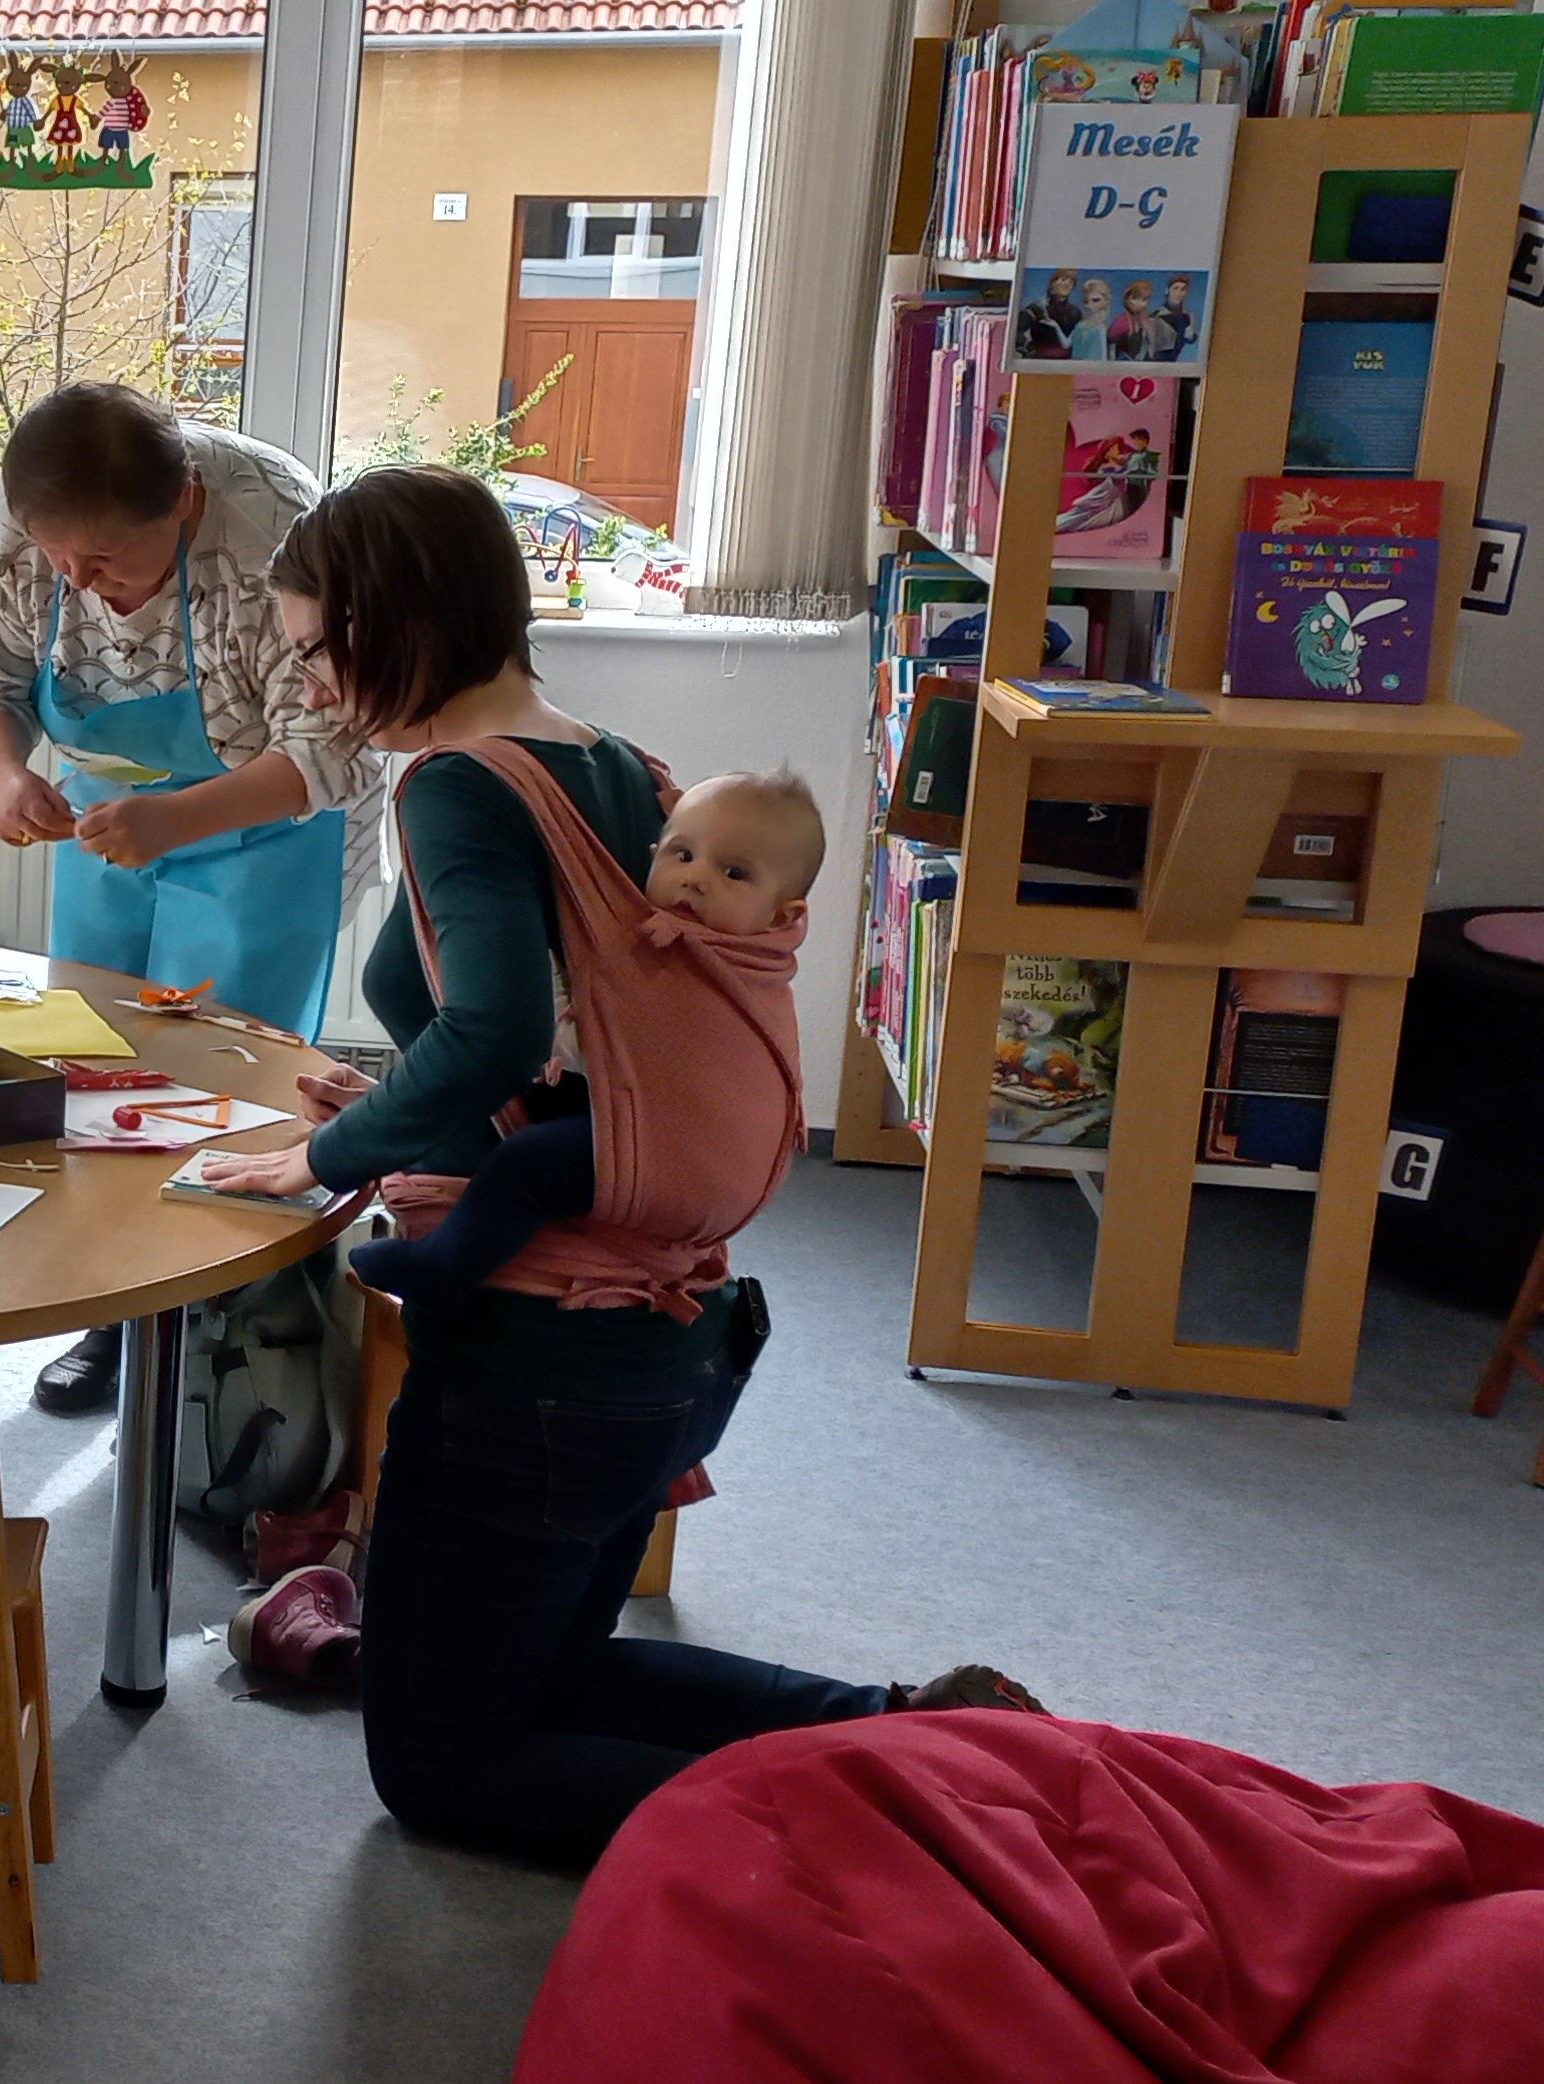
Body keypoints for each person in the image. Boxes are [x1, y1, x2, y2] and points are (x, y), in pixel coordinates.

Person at [187, 467, 1036, 1870]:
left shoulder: (459, 787)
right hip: (659, 1343)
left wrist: (323, 1156)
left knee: (443, 1771)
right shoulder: (619, 767)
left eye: (321, 650)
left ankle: (878, 1839)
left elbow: (495, 1029)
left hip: (542, 1358)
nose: (317, 688)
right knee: (551, 1681)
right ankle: (919, 1732)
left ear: (396, 619)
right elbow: (578, 1049)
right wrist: (395, 1100)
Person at [0, 380, 374, 1415]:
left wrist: (177, 821)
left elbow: (330, 742)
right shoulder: (27, 516)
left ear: (182, 502)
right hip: (109, 815)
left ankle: (222, 1344)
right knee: (93, 1063)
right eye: (56, 555)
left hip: (269, 827)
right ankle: (110, 1310)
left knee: (230, 1080)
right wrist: (5, 777)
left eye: (103, 560)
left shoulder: (277, 529)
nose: (75, 580)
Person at [346, 768, 826, 1306]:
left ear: (782, 915)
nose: (696, 878)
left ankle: (442, 1265)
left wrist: (528, 1009)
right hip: (657, 1132)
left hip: (684, 1159)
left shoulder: (719, 970)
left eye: (734, 872)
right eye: (683, 854)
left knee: (526, 1165)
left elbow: (610, 1046)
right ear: (654, 854)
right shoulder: (680, 941)